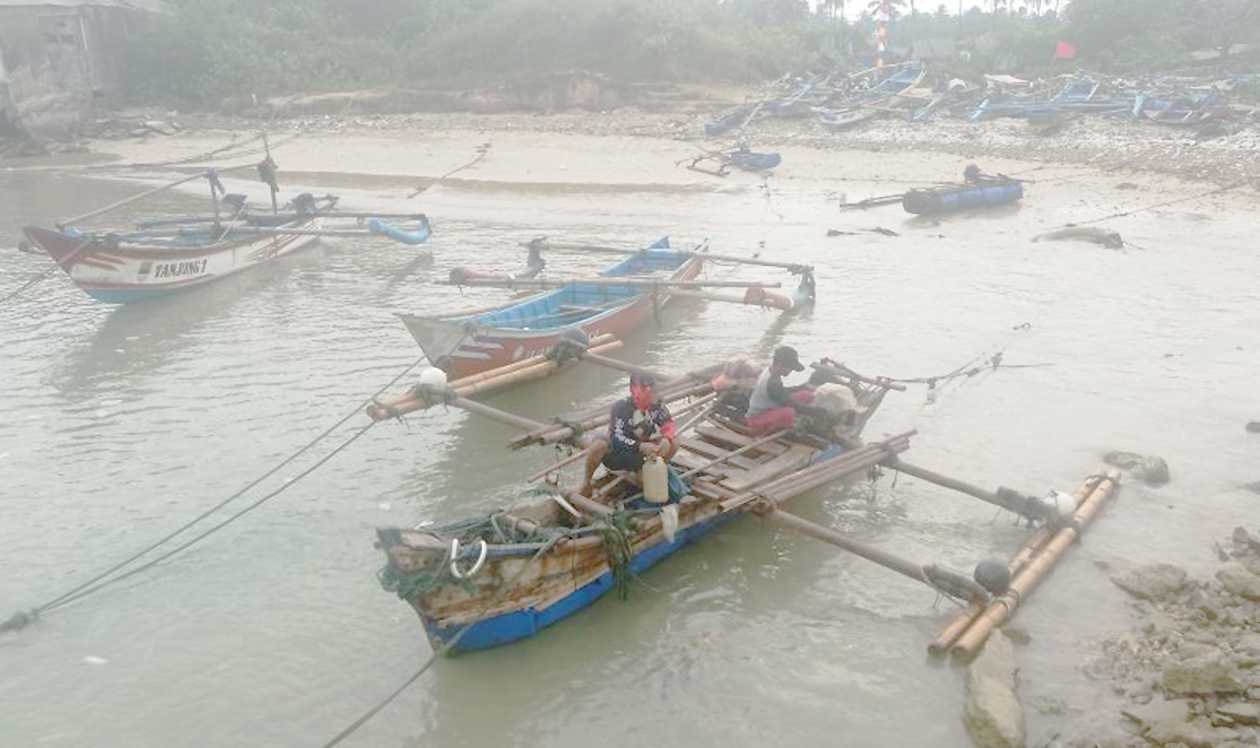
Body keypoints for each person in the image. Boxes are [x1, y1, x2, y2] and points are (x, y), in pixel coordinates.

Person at [578, 373, 678, 497]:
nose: (651, 394)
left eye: (653, 390)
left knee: (674, 442)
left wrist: (666, 438)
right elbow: (616, 438)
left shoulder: (657, 404)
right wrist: (640, 446)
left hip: (640, 456)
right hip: (618, 455)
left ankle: (655, 469)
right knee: (598, 445)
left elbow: (668, 423)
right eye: (646, 390)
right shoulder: (621, 407)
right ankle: (586, 483)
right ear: (633, 390)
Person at [745, 346, 817, 436]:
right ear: (779, 364)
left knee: (805, 394)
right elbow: (791, 403)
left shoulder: (771, 371)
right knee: (788, 413)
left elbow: (782, 392)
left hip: (770, 408)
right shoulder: (773, 383)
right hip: (757, 419)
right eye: (789, 368)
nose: (791, 371)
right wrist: (817, 411)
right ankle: (766, 433)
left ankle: (789, 422)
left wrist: (800, 387)